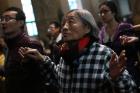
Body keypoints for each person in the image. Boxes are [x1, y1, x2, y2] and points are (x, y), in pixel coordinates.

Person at [19, 9, 136, 93]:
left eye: (71, 22)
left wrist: (117, 78)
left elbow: (131, 89)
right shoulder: (66, 54)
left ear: (87, 28)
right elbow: (60, 78)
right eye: (64, 23)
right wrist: (42, 59)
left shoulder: (103, 54)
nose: (64, 27)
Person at [0, 7, 46, 93]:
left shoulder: (31, 44)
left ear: (20, 23)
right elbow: (11, 73)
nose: (2, 22)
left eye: (7, 19)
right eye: (1, 19)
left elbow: (37, 77)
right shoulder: (10, 45)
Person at [98, 1, 140, 91]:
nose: (102, 15)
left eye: (105, 11)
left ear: (113, 12)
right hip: (112, 72)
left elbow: (136, 47)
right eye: (100, 12)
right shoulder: (101, 32)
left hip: (129, 68)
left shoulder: (125, 27)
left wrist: (129, 42)